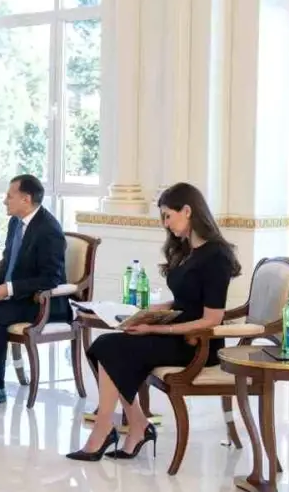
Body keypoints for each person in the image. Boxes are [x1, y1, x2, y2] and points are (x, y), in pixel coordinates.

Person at [67, 183, 241, 461]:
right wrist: (150, 310)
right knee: (105, 346)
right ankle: (135, 425)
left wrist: (154, 327)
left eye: (167, 216)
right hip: (176, 333)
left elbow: (212, 318)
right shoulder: (189, 250)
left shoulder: (216, 255)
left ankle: (107, 429)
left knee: (110, 347)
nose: (165, 223)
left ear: (187, 210)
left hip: (196, 344)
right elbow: (186, 300)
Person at [0, 174, 67, 406]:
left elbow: (51, 278)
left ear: (26, 199)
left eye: (9, 196)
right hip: (17, 297)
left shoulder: (49, 229)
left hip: (41, 302)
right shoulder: (15, 223)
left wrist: (9, 288)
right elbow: (6, 263)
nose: (4, 201)